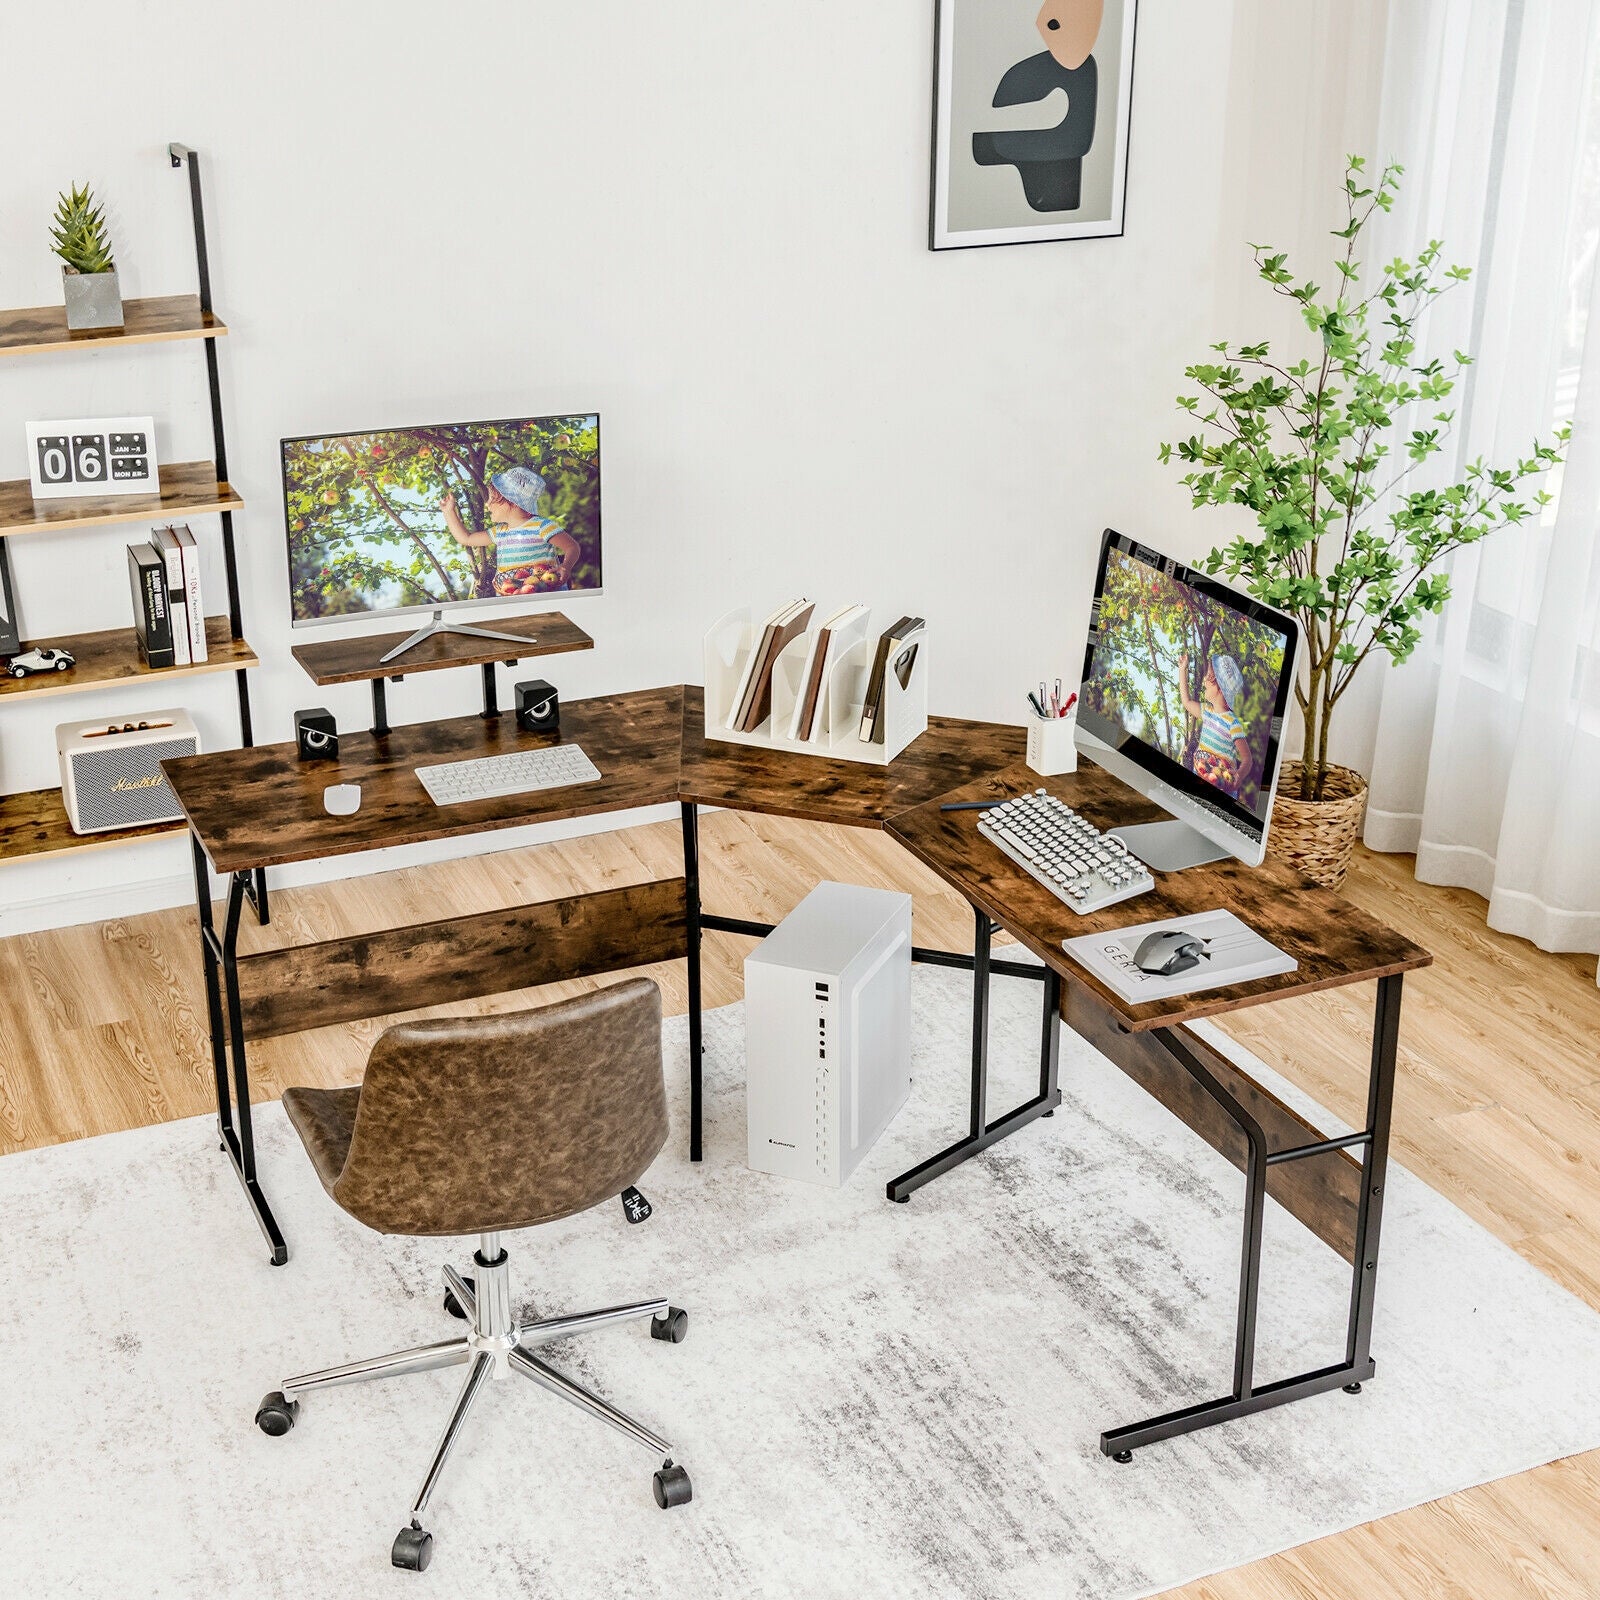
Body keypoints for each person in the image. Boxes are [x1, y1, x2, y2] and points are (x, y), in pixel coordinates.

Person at [441, 465, 580, 595]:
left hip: (545, 594)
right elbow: (466, 538)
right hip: (513, 596)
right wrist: (449, 512)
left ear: (511, 501)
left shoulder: (541, 526)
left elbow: (572, 546)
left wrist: (565, 567)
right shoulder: (500, 532)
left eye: (491, 499)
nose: (487, 503)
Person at [1178, 650, 1253, 798]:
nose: (1205, 679)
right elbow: (1186, 702)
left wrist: (1238, 775)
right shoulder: (1207, 712)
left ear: (1218, 685)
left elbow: (1247, 759)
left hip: (1223, 787)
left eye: (1209, 676)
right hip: (1200, 774)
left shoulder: (1233, 723)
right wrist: (1182, 670)